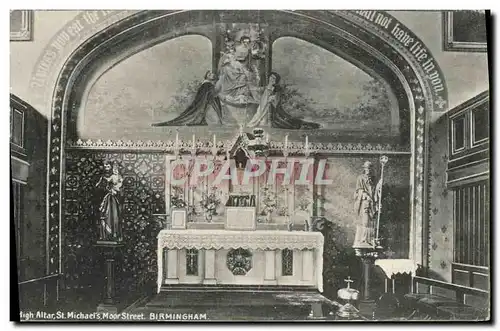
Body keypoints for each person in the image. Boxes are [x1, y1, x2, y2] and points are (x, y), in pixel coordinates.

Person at [247, 72, 321, 129]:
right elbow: (258, 91)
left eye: (274, 79)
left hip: (269, 109)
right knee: (258, 115)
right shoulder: (266, 88)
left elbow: (276, 102)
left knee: (287, 123)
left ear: (275, 81)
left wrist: (271, 99)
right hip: (262, 107)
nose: (272, 79)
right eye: (271, 77)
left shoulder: (275, 90)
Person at [152, 71, 223, 126]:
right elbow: (209, 95)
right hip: (204, 105)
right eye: (209, 74)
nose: (212, 75)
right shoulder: (207, 84)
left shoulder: (207, 84)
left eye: (212, 74)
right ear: (206, 77)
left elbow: (206, 95)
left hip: (205, 104)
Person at [353, 161, 382, 247]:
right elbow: (359, 190)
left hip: (372, 203)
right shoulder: (360, 178)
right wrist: (366, 196)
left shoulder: (374, 179)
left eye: (370, 168)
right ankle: (364, 239)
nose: (368, 170)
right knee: (365, 221)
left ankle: (371, 240)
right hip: (365, 203)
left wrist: (378, 189)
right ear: (364, 169)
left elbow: (375, 191)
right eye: (367, 168)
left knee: (372, 222)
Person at [96, 161, 123, 242]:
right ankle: (105, 235)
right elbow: (99, 187)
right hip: (106, 199)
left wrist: (115, 190)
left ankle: (113, 233)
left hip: (113, 200)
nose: (106, 167)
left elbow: (120, 188)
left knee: (113, 215)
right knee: (105, 215)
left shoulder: (116, 177)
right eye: (105, 166)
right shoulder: (104, 177)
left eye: (108, 166)